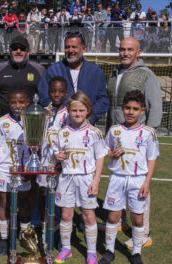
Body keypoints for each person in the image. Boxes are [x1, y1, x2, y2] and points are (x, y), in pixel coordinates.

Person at [105, 37, 162, 252]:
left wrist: (149, 136)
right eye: (122, 49)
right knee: (119, 179)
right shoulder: (114, 72)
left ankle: (144, 233)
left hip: (138, 139)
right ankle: (121, 221)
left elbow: (155, 107)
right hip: (118, 135)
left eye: (130, 50)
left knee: (140, 185)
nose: (125, 53)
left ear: (138, 52)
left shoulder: (147, 75)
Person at [99, 90, 159, 264]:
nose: (130, 112)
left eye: (135, 108)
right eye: (127, 108)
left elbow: (152, 159)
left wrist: (147, 182)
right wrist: (111, 153)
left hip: (138, 179)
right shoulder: (114, 130)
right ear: (122, 108)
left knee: (137, 218)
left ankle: (136, 253)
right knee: (112, 217)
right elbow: (105, 149)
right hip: (117, 178)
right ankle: (109, 251)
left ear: (142, 110)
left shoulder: (148, 133)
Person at [53, 91, 106, 264]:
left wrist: (96, 181)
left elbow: (100, 158)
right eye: (74, 110)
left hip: (86, 178)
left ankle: (91, 252)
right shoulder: (62, 133)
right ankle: (66, 249)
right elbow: (57, 153)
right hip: (66, 178)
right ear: (68, 111)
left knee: (89, 216)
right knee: (66, 215)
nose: (77, 114)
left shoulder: (94, 132)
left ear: (88, 111)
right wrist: (58, 156)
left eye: (81, 110)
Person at [38, 32, 109, 125]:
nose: (70, 50)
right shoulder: (53, 70)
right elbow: (44, 96)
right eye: (67, 47)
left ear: (84, 49)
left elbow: (103, 100)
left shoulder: (95, 72)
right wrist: (58, 115)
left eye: (74, 47)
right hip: (59, 126)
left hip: (86, 126)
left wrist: (89, 118)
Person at [0, 89, 33, 255]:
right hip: (5, 168)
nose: (17, 106)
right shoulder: (1, 122)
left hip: (24, 169)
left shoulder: (33, 120)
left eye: (21, 102)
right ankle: (4, 238)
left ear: (28, 103)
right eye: (13, 102)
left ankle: (24, 236)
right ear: (8, 103)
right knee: (5, 202)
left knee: (23, 203)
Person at [37, 76, 68, 245]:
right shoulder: (42, 111)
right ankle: (44, 228)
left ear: (66, 93)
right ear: (49, 92)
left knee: (61, 195)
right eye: (53, 91)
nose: (57, 94)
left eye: (60, 91)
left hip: (62, 162)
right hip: (45, 161)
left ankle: (59, 228)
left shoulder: (70, 112)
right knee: (44, 194)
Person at [0, 36, 45, 116]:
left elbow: (45, 95)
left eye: (22, 49)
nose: (18, 51)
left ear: (28, 51)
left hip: (30, 118)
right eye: (15, 48)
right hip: (4, 120)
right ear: (10, 51)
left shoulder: (39, 69)